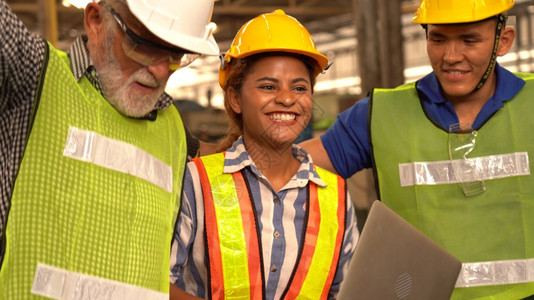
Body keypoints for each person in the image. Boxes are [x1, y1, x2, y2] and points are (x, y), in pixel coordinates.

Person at [301, 0, 534, 298]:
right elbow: (287, 167)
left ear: (503, 41)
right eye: (437, 39)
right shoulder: (379, 115)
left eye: (469, 40)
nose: (451, 56)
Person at [0, 0, 219, 298]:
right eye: (142, 45)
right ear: (95, 21)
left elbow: (240, 160)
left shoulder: (174, 132)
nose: (158, 70)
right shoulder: (34, 78)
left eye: (175, 54)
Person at [169, 10, 359, 300]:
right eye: (268, 86)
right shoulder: (196, 182)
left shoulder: (337, 198)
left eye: (299, 87)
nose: (286, 98)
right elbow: (156, 283)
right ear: (235, 98)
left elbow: (345, 292)